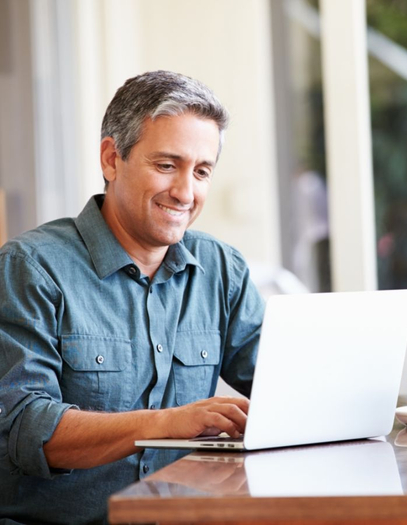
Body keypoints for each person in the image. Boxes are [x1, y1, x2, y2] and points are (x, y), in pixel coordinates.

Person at [0, 71, 265, 524]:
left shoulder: (223, 270)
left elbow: (285, 388)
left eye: (201, 172)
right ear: (111, 158)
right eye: (166, 165)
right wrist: (163, 423)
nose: (185, 192)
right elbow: (24, 428)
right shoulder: (30, 267)